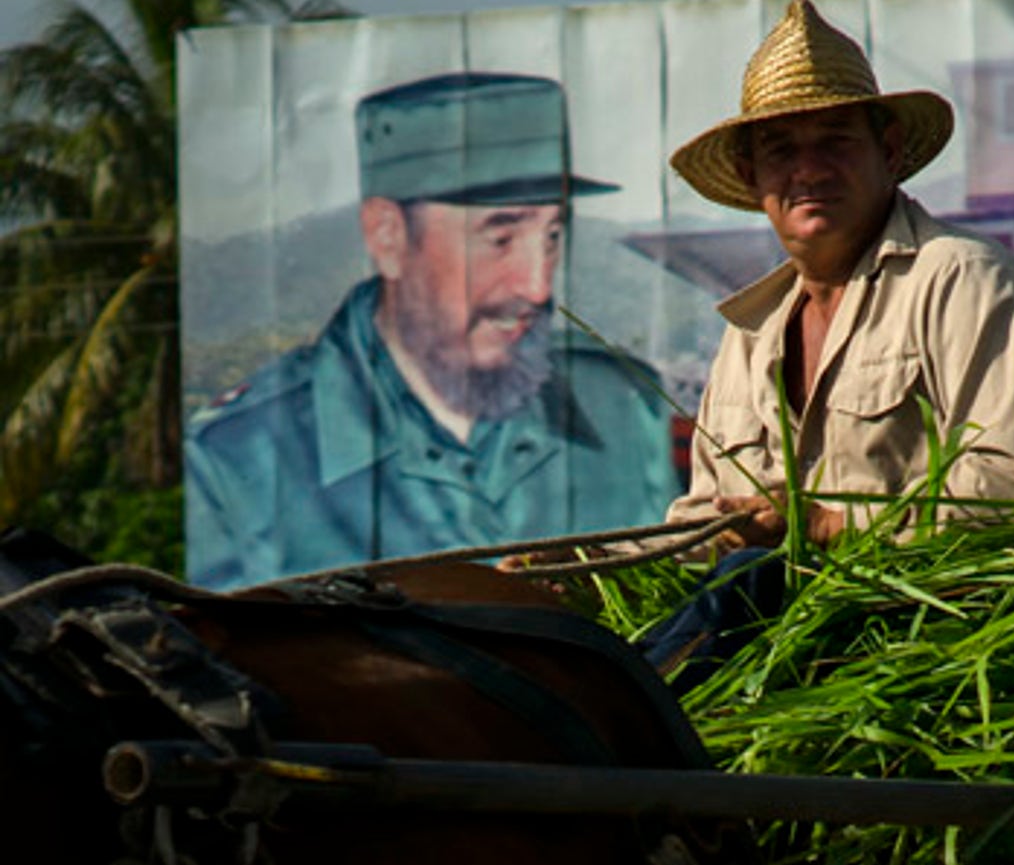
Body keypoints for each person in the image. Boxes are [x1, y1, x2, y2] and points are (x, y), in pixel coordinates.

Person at [638, 0, 1014, 684]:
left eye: (835, 141)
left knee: (740, 586)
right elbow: (703, 522)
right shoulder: (748, 338)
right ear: (752, 174)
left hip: (933, 650)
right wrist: (587, 571)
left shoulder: (960, 279)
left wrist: (824, 527)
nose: (808, 170)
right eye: (781, 150)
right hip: (771, 657)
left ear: (888, 152)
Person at [186, 72, 679, 590]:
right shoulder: (242, 456)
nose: (536, 286)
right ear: (388, 236)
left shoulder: (623, 406)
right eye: (502, 237)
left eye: (552, 235)